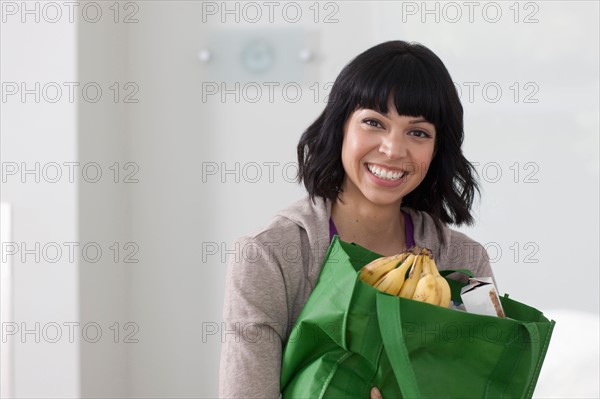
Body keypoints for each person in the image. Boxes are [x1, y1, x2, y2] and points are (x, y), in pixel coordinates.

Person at [218, 40, 495, 399]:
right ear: (340, 128)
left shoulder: (466, 263)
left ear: (437, 149)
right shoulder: (268, 256)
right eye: (373, 122)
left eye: (418, 132)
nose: (393, 149)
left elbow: (491, 378)